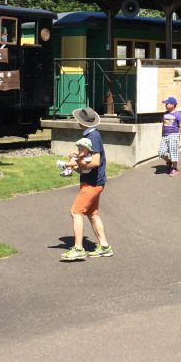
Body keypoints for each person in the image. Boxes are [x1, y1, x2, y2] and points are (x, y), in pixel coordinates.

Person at [60, 107, 112, 261]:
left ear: (82, 121)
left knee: (76, 212)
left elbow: (95, 162)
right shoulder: (90, 134)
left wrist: (77, 165)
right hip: (94, 181)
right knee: (92, 214)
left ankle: (78, 248)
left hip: (92, 183)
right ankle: (104, 246)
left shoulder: (93, 136)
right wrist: (77, 157)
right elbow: (89, 158)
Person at [158, 96, 181, 176]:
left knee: (173, 152)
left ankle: (174, 168)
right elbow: (164, 125)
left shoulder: (178, 115)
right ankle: (169, 162)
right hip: (165, 136)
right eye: (165, 104)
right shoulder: (165, 114)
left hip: (174, 135)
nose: (165, 105)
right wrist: (162, 134)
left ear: (173, 105)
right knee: (161, 153)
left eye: (167, 104)